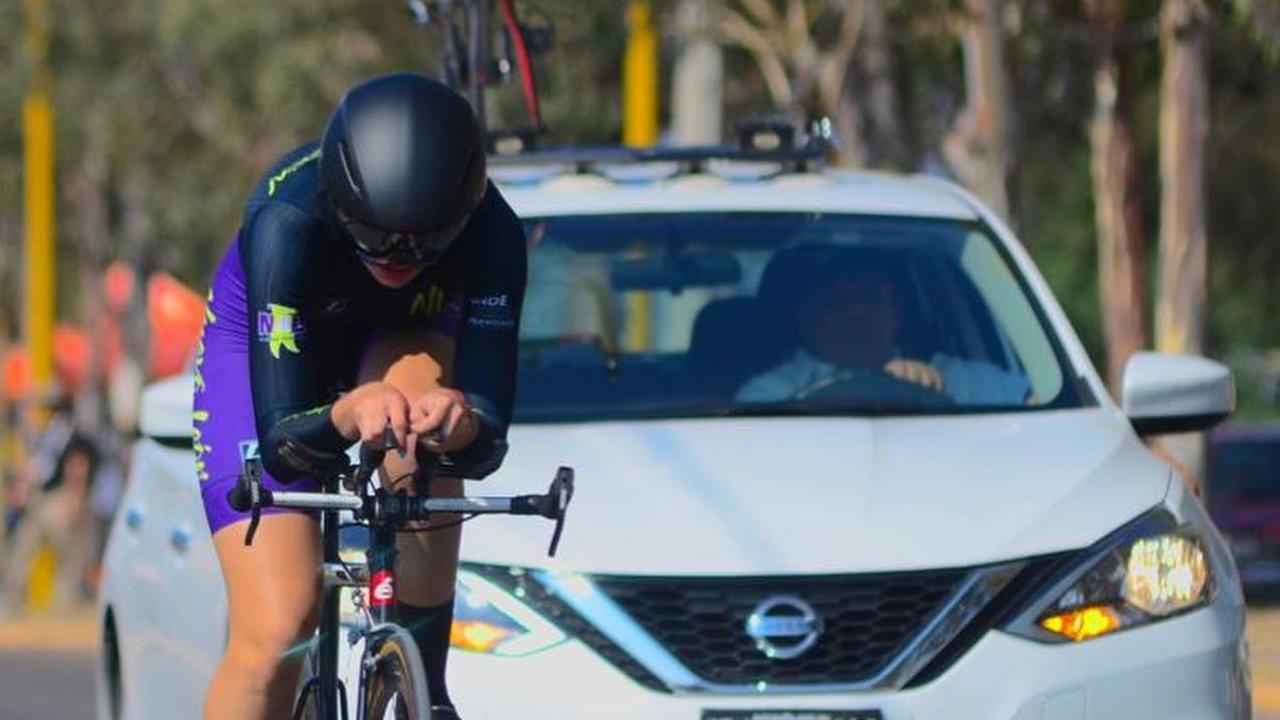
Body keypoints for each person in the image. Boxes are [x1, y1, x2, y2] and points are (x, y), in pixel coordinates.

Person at [194, 73, 526, 720]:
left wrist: (459, 425)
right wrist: (345, 412)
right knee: (278, 626)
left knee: (415, 424)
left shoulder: (496, 236)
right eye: (372, 236)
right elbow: (284, 445)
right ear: (337, 201)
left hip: (398, 338)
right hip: (271, 356)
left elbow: (487, 441)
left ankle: (423, 685)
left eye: (426, 242)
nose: (399, 256)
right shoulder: (286, 220)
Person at [736, 260, 1028, 405]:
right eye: (836, 303)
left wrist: (927, 388)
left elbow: (1047, 414)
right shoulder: (769, 396)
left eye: (870, 299)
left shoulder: (964, 382)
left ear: (897, 312)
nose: (856, 313)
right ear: (805, 316)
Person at [0, 433, 100, 617]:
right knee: (25, 545)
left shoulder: (86, 498)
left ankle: (66, 605)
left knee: (70, 575)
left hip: (70, 511)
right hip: (50, 503)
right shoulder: (50, 500)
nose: (75, 468)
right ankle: (11, 595)